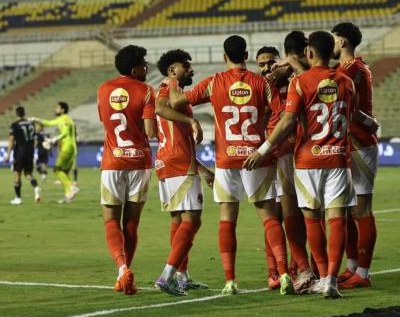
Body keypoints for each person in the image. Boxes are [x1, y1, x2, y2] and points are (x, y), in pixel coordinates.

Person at [167, 35, 291, 296]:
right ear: (246, 55)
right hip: (256, 157)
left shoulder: (214, 83)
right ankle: (283, 274)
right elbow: (281, 116)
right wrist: (264, 144)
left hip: (226, 161)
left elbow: (177, 102)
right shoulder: (262, 83)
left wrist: (173, 80)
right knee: (269, 219)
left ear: (225, 57)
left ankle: (230, 281)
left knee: (227, 221)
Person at [244, 30, 356, 299]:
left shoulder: (299, 81)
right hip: (338, 157)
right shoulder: (346, 81)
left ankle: (309, 271)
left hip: (304, 157)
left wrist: (263, 148)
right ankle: (328, 277)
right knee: (337, 219)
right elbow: (352, 114)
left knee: (310, 218)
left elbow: (288, 120)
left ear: (308, 52)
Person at [97, 45, 157, 295]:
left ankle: (122, 269)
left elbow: (105, 121)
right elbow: (151, 132)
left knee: (111, 220)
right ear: (134, 68)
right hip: (139, 163)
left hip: (113, 162)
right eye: (144, 63)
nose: (147, 66)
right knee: (131, 222)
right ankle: (124, 273)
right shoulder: (146, 91)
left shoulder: (103, 89)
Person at [153, 49, 214, 296]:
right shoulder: (170, 85)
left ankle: (182, 276)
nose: (190, 69)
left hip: (169, 162)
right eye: (184, 66)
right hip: (178, 162)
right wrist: (192, 121)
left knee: (178, 222)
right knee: (192, 220)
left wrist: (202, 169)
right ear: (172, 70)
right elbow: (159, 109)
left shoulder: (168, 89)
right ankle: (166, 276)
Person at [332, 22, 380, 290]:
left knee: (362, 207)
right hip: (351, 143)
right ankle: (352, 268)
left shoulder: (351, 69)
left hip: (361, 143)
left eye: (334, 39)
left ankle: (363, 271)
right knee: (349, 209)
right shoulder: (351, 68)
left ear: (342, 42)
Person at [31, 102, 79, 203]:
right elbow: (48, 123)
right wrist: (36, 119)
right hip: (71, 147)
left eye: (57, 108)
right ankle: (68, 196)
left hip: (68, 147)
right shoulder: (63, 119)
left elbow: (66, 132)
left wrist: (54, 139)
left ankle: (72, 187)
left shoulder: (65, 118)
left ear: (62, 109)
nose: (55, 109)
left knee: (57, 170)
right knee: (64, 172)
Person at [4, 106, 41, 205]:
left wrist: (8, 155)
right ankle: (36, 187)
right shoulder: (31, 124)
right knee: (28, 174)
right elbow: (35, 139)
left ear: (16, 114)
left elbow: (11, 140)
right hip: (30, 152)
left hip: (19, 152)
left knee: (17, 173)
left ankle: (18, 198)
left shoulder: (14, 125)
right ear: (24, 113)